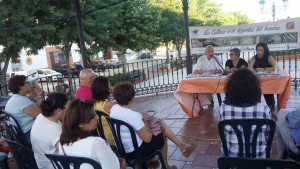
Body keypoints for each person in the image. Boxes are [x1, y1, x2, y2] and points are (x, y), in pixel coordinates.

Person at [110, 82, 196, 169]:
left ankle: (183, 147)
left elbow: (127, 116)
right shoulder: (133, 116)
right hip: (135, 152)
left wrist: (139, 115)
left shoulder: (114, 109)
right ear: (132, 98)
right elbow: (148, 139)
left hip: (122, 149)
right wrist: (145, 121)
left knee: (161, 122)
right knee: (162, 133)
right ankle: (167, 165)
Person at [219, 69, 271, 158]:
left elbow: (223, 133)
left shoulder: (223, 109)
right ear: (255, 88)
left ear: (230, 88)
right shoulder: (264, 109)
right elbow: (268, 131)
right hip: (259, 158)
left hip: (232, 158)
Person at [59, 99, 124, 169]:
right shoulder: (96, 143)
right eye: (93, 116)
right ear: (80, 123)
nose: (97, 117)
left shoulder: (61, 143)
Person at [31, 93, 68, 169]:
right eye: (68, 108)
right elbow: (67, 155)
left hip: (41, 161)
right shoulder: (55, 130)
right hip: (53, 165)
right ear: (59, 110)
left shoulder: (41, 116)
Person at [5, 75, 41, 143]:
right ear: (21, 87)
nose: (29, 84)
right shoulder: (21, 101)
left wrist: (39, 96)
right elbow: (41, 116)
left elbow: (38, 109)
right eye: (26, 82)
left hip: (23, 133)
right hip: (29, 134)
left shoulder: (17, 98)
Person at [248, 42, 276, 112]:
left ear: (265, 50)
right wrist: (252, 71)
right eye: (258, 50)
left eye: (261, 50)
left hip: (267, 81)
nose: (259, 52)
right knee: (255, 95)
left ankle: (271, 109)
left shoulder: (269, 57)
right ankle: (257, 109)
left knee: (268, 96)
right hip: (257, 81)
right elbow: (248, 68)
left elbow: (276, 67)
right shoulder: (254, 58)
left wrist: (264, 69)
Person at [91, 76, 115, 146]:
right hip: (112, 138)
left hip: (101, 136)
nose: (110, 87)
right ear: (104, 88)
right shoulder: (108, 104)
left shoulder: (92, 103)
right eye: (109, 85)